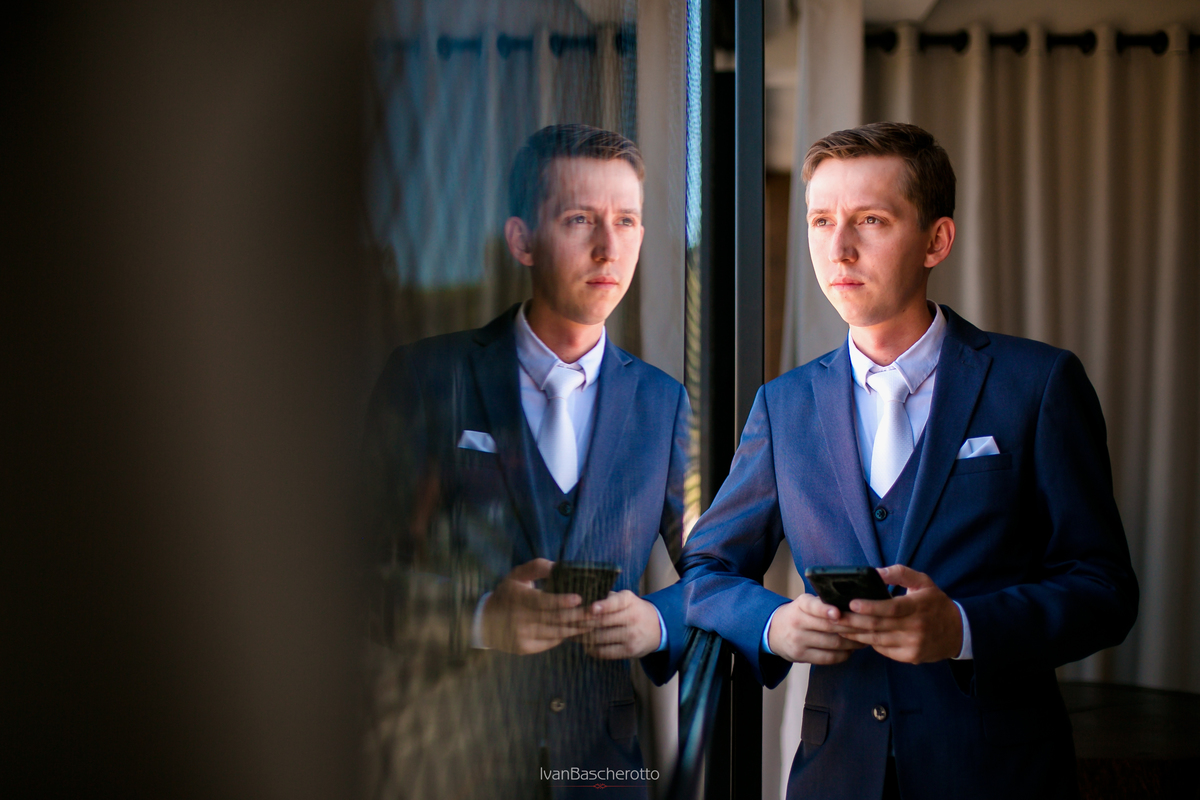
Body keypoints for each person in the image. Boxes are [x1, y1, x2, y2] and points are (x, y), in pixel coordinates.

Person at [678, 122, 1138, 799]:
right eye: (822, 221)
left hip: (998, 778)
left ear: (936, 241)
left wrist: (963, 629)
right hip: (834, 778)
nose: (839, 247)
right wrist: (773, 624)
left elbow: (1105, 591)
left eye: (871, 220)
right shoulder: (785, 405)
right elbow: (705, 571)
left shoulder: (1037, 385)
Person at [364, 123, 689, 799]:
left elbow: (716, 580)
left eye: (627, 221)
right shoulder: (428, 377)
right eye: (580, 220)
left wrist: (658, 621)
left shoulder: (663, 403)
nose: (609, 247)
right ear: (522, 241)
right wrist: (482, 616)